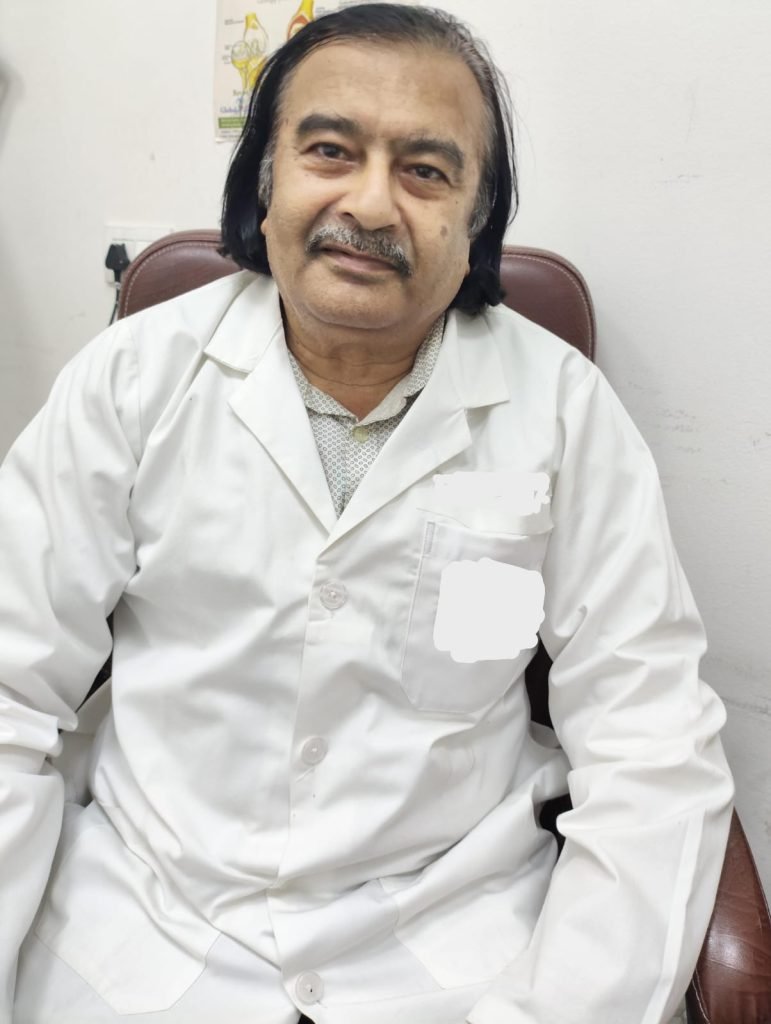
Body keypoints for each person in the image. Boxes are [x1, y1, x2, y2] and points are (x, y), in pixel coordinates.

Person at [1, 5, 733, 1023]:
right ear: (265, 183)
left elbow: (650, 743)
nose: (372, 202)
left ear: (477, 221)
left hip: (450, 941)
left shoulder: (563, 414)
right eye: (330, 151)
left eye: (426, 171)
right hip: (145, 919)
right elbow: (11, 687)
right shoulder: (131, 380)